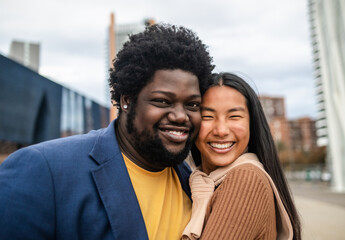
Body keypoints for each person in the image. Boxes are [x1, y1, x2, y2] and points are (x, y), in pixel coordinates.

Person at [0, 24, 214, 240]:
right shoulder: (43, 171)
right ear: (127, 100)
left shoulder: (195, 183)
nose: (180, 116)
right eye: (162, 101)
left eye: (193, 105)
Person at [182, 72, 301, 240]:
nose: (221, 131)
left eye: (234, 116)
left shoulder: (246, 179)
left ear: (251, 124)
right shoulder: (194, 180)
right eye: (207, 116)